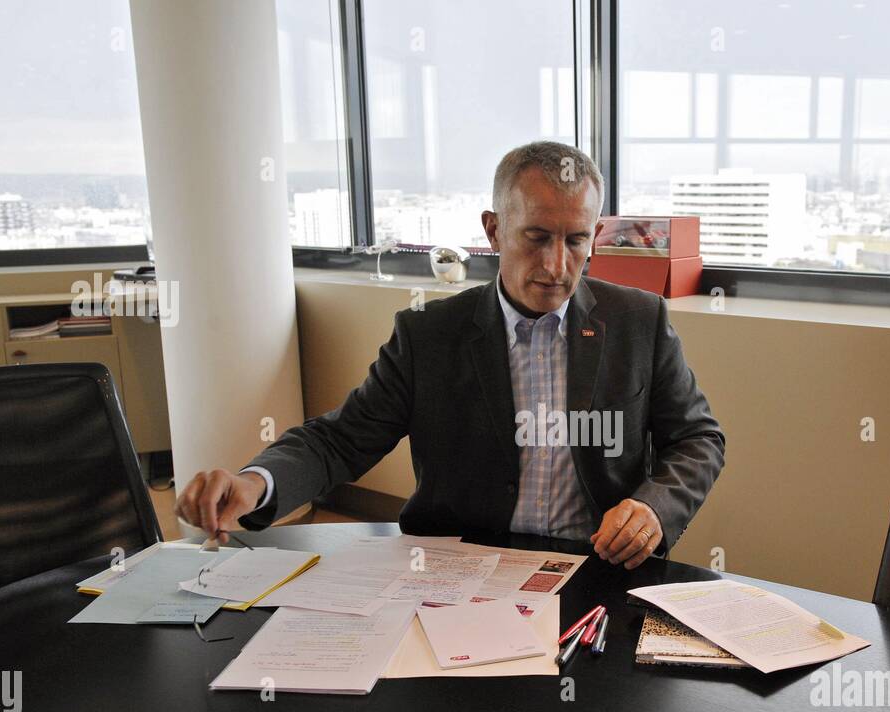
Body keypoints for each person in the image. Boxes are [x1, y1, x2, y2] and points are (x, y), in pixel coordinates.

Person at [176, 141, 724, 570]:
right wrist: (257, 483)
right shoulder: (428, 336)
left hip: (595, 567)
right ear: (493, 229)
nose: (557, 265)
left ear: (595, 236)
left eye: (576, 240)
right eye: (536, 236)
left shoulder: (638, 321)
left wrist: (653, 507)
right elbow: (339, 441)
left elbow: (697, 439)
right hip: (459, 569)